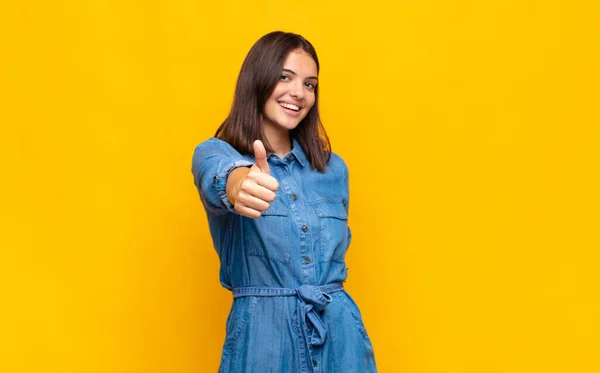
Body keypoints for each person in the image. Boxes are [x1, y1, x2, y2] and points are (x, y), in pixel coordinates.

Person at [191, 31, 377, 373]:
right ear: (258, 80)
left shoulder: (333, 169)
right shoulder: (216, 153)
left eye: (310, 84)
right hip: (264, 342)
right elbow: (220, 176)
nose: (298, 93)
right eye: (285, 77)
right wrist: (239, 183)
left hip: (342, 341)